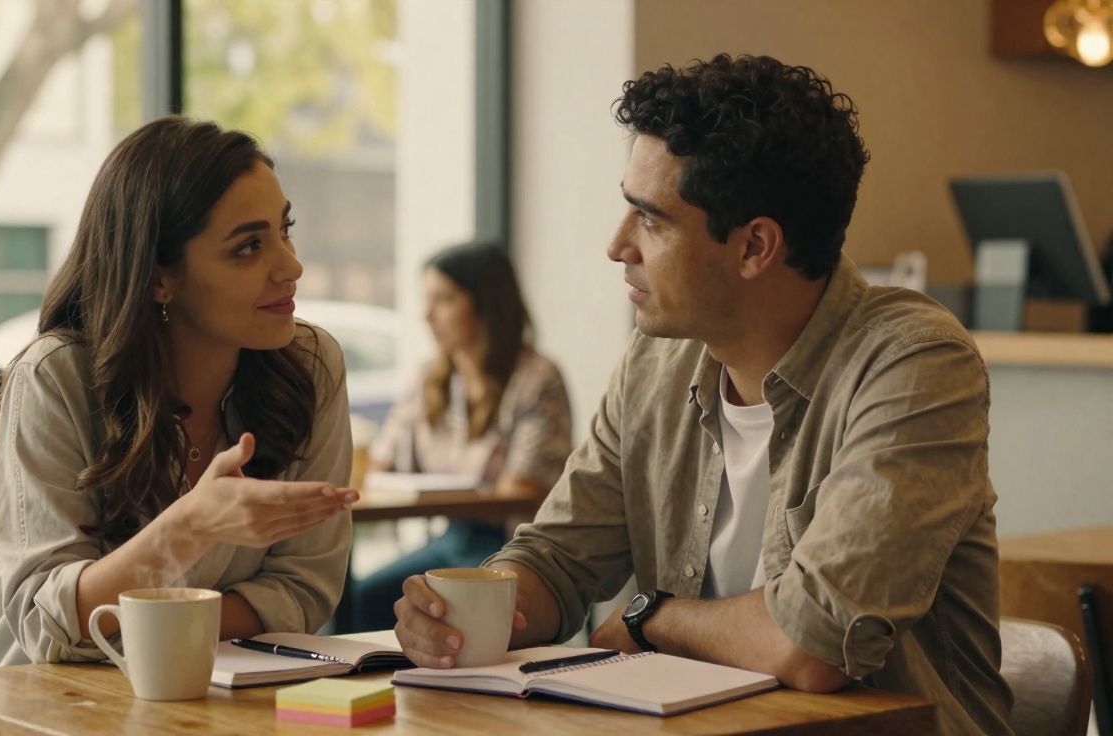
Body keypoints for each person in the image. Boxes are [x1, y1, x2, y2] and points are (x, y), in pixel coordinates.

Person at [392, 55, 1012, 735]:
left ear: (755, 247)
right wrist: (464, 618)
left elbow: (815, 642)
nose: (616, 246)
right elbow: (558, 559)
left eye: (650, 221)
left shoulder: (914, 362)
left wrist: (648, 617)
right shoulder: (657, 358)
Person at [0, 116, 358, 668]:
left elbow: (303, 588)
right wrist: (193, 525)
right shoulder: (55, 378)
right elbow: (45, 624)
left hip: (200, 691)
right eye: (248, 247)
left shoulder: (311, 367)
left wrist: (161, 631)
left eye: (284, 231)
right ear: (157, 277)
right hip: (37, 701)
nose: (291, 266)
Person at [350, 242, 572, 632]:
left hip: (512, 544)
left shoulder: (537, 379)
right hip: (451, 539)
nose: (427, 315)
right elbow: (379, 466)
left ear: (485, 306)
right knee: (363, 597)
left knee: (390, 601)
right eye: (426, 300)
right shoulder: (430, 380)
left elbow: (521, 487)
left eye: (444, 299)